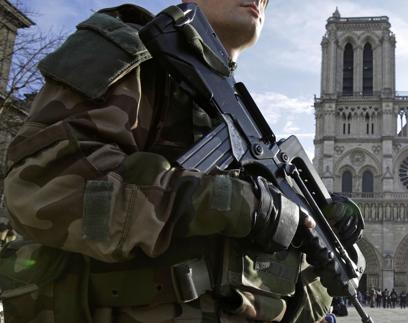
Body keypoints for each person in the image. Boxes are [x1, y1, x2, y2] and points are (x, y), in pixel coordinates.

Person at [0, 1, 365, 322]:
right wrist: (233, 202)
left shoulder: (242, 124)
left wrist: (316, 237)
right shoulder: (129, 49)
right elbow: (43, 186)